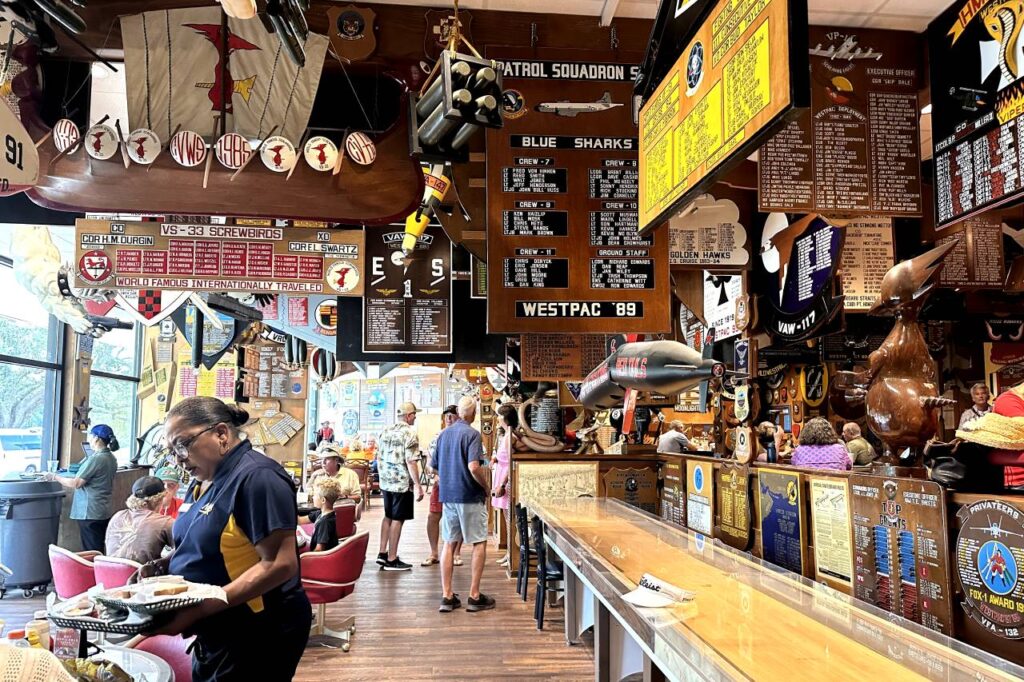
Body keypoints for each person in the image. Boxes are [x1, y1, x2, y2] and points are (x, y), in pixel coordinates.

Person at [139, 397, 310, 681]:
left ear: (221, 434)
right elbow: (205, 541)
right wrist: (164, 567)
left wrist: (199, 609)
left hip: (256, 630)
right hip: (214, 628)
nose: (178, 458)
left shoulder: (258, 477)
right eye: (171, 450)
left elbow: (281, 563)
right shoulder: (202, 480)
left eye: (182, 444)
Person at [432, 396, 495, 613]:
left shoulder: (443, 435)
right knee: (478, 542)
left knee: (449, 543)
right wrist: (486, 487)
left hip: (448, 496)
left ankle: (447, 596)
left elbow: (435, 468)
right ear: (474, 414)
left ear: (459, 413)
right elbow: (474, 466)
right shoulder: (473, 435)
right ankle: (474, 595)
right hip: (469, 495)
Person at [47, 424, 119, 552]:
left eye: (90, 436)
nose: (89, 439)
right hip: (102, 509)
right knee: (98, 547)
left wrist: (55, 477)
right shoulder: (111, 458)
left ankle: (93, 572)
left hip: (89, 511)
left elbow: (77, 483)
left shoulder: (96, 459)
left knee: (92, 551)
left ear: (97, 438)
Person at [376, 402, 424, 571]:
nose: (415, 417)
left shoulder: (385, 431)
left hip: (385, 481)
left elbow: (379, 457)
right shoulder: (410, 434)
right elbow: (411, 461)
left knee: (388, 515)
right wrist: (418, 485)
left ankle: (382, 553)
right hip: (401, 482)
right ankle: (392, 558)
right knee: (398, 518)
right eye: (414, 415)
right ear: (408, 416)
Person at [423, 405, 462, 567]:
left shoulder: (465, 434)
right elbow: (429, 462)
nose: (449, 419)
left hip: (460, 482)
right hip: (440, 483)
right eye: (446, 416)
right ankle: (433, 552)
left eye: (452, 415)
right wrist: (435, 474)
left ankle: (456, 553)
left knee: (458, 518)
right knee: (433, 516)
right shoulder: (437, 437)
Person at [104, 475, 174, 564]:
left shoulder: (117, 515)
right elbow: (184, 550)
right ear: (161, 498)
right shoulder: (165, 522)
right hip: (140, 576)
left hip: (107, 575)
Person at [490, 403, 518, 568]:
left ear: (504, 418)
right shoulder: (507, 434)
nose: (497, 418)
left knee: (510, 519)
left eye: (499, 416)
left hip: (505, 481)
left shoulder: (510, 436)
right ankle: (508, 554)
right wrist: (495, 459)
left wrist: (502, 484)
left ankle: (511, 555)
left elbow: (511, 462)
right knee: (507, 519)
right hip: (501, 477)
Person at [308, 443, 362, 519]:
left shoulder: (350, 474)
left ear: (336, 460)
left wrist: (345, 497)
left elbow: (358, 498)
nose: (323, 463)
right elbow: (309, 496)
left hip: (342, 515)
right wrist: (312, 477)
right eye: (321, 459)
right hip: (319, 514)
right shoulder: (318, 476)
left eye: (327, 459)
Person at [299, 477, 341, 552]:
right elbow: (299, 521)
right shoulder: (320, 513)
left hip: (322, 560)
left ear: (323, 500)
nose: (313, 497)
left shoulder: (324, 522)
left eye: (315, 495)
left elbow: (319, 549)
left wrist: (306, 558)